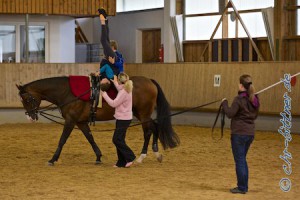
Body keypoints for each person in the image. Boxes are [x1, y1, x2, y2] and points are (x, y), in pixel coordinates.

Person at [221, 74, 260, 194]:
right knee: (242, 159)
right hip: (249, 133)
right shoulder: (255, 99)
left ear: (242, 86)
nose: (238, 85)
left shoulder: (239, 99)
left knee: (240, 160)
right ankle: (244, 186)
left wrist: (224, 103)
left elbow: (230, 113)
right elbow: (255, 115)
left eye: (239, 83)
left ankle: (242, 187)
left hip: (239, 133)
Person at [101, 72, 136, 168]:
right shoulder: (126, 88)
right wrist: (115, 82)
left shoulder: (123, 92)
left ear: (121, 82)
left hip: (123, 119)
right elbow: (119, 88)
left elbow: (113, 103)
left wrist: (104, 95)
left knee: (116, 139)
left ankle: (130, 157)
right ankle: (121, 162)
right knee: (120, 139)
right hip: (124, 118)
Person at [96, 8, 124, 88]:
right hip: (113, 61)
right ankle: (103, 21)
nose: (102, 81)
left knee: (106, 39)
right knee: (104, 40)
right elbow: (121, 65)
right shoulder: (116, 55)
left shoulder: (113, 55)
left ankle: (105, 20)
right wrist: (114, 62)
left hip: (112, 60)